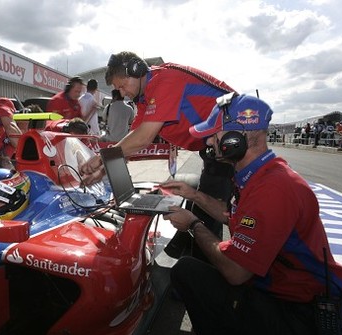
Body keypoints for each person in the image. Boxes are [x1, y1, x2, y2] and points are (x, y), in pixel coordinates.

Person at [162, 94, 342, 335]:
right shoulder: (261, 174)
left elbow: (236, 272)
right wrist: (194, 195)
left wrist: (193, 224)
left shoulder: (273, 188)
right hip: (289, 301)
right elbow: (231, 216)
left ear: (237, 138)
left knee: (189, 272)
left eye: (215, 135)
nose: (210, 142)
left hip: (302, 321)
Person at [79, 51, 237, 260]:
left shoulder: (166, 80)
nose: (122, 93)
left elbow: (144, 137)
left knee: (212, 213)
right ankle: (198, 253)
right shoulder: (144, 97)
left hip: (234, 143)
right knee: (203, 205)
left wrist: (100, 157)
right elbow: (131, 142)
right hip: (215, 147)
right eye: (118, 89)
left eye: (122, 86)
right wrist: (102, 171)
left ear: (136, 70)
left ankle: (218, 265)